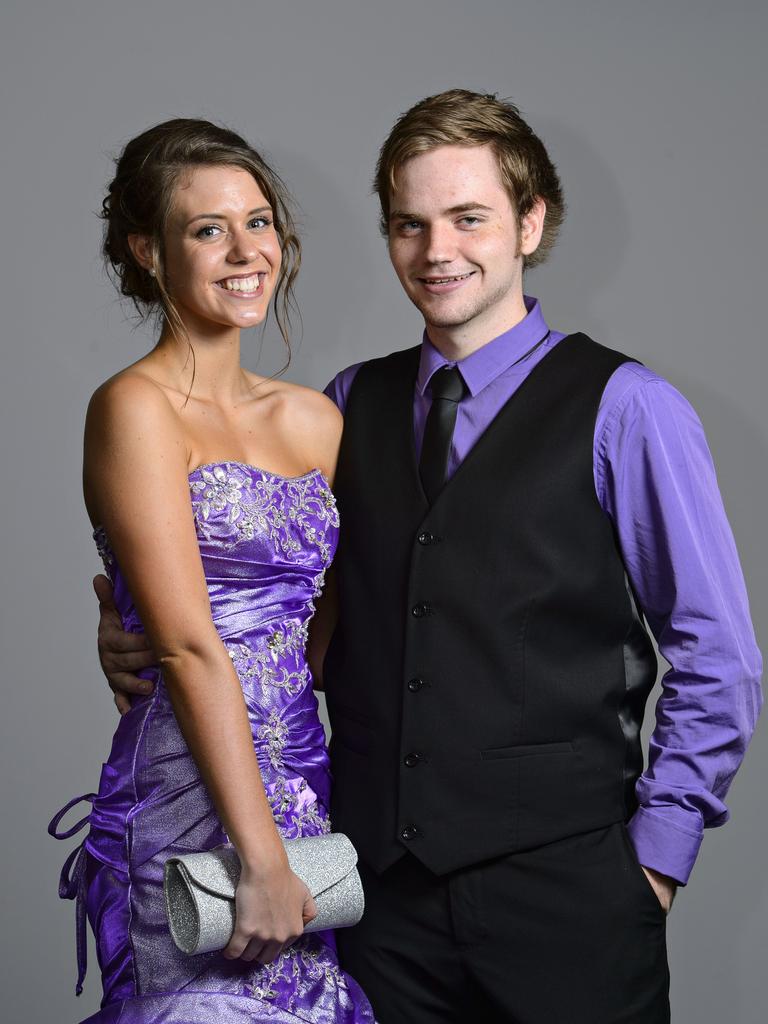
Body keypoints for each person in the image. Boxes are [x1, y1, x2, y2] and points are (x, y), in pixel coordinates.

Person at [95, 91, 762, 1024]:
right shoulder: (342, 408)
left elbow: (719, 654)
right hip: (375, 904)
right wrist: (130, 631)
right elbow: (287, 618)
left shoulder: (628, 408)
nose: (436, 249)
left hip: (571, 899)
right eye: (410, 224)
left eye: (469, 217)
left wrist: (655, 861)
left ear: (531, 223)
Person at [49, 119, 375, 1023]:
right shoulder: (133, 408)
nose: (247, 251)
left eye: (260, 222)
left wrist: (286, 812)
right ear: (148, 252)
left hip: (302, 774)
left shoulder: (318, 422)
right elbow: (190, 647)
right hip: (187, 783)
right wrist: (261, 860)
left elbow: (329, 620)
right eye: (208, 230)